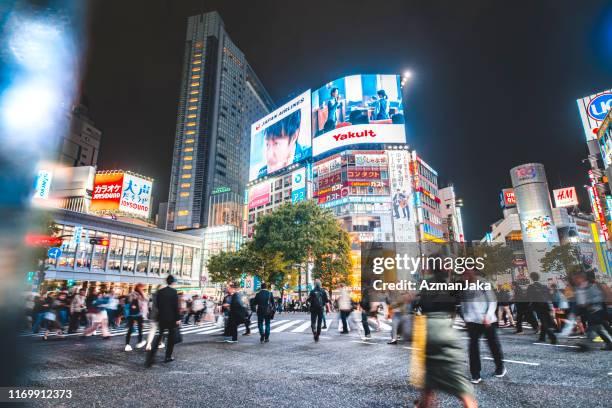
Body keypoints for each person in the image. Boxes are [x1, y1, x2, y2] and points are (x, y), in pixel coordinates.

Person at [412, 265, 476, 408]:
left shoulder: (426, 284)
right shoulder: (451, 285)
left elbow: (419, 305)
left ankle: (424, 403)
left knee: (429, 379)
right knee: (461, 387)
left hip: (427, 329)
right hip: (446, 329)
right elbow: (463, 300)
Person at [461, 269, 506, 384]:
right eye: (463, 274)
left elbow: (492, 301)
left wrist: (488, 315)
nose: (464, 276)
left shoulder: (483, 283)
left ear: (472, 273)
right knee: (473, 348)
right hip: (472, 321)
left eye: (466, 273)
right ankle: (475, 374)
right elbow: (463, 303)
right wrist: (466, 318)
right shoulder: (465, 286)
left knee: (493, 345)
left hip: (487, 320)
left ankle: (500, 367)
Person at [257, 109, 310, 178]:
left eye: (276, 144)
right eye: (267, 144)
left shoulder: (310, 156)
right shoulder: (262, 173)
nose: (269, 156)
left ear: (294, 137)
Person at [146, 275, 180, 367]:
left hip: (161, 317)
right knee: (171, 338)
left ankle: (151, 358)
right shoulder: (173, 292)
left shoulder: (160, 292)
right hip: (171, 318)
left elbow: (157, 305)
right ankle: (168, 356)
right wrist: (178, 318)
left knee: (159, 336)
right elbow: (175, 306)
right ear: (173, 282)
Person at [573, 271, 612, 350]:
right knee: (598, 328)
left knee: (594, 327)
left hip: (597, 310)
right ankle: (608, 343)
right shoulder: (585, 286)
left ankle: (588, 344)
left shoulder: (594, 285)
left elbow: (599, 297)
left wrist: (589, 302)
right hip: (593, 311)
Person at [527, 272, 557, 344]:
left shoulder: (531, 287)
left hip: (537, 306)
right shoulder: (544, 286)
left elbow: (528, 297)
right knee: (544, 320)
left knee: (543, 321)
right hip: (546, 306)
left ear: (531, 278)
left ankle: (552, 336)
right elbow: (550, 296)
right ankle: (542, 337)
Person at [125, 283, 148, 352]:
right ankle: (139, 342)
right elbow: (145, 301)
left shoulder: (131, 294)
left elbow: (127, 303)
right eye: (142, 287)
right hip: (138, 313)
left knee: (131, 329)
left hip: (132, 314)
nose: (143, 289)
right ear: (139, 287)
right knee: (139, 328)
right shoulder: (139, 294)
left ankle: (127, 344)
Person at [145, 285, 165, 352]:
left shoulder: (154, 295)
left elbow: (149, 304)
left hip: (153, 314)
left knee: (152, 330)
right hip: (161, 315)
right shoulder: (163, 296)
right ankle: (160, 343)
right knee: (161, 330)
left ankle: (149, 344)